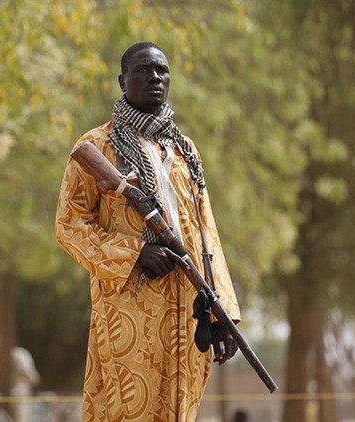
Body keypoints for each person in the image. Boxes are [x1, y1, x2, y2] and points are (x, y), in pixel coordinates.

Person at [55, 42, 241, 420]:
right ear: (123, 81)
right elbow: (69, 225)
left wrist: (224, 314)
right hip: (130, 307)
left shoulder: (185, 149)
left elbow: (208, 234)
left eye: (161, 71)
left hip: (190, 305)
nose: (154, 77)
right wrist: (134, 252)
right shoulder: (96, 146)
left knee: (180, 409)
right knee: (126, 409)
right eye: (142, 71)